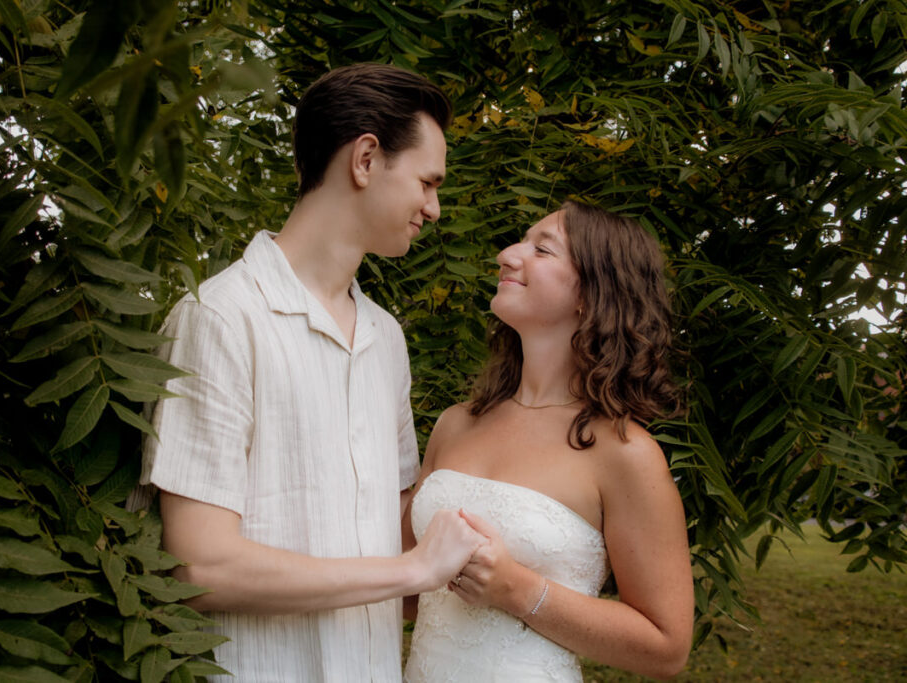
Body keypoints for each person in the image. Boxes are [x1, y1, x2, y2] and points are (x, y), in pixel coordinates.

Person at [132, 63, 484, 682]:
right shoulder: (220, 317)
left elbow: (397, 535)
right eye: (428, 183)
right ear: (366, 159)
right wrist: (414, 570)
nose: (434, 209)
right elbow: (198, 567)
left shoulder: (387, 338)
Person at [403, 201, 694, 681]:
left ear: (592, 293)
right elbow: (405, 592)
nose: (507, 255)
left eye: (542, 249)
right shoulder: (456, 423)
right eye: (521, 241)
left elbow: (666, 647)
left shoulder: (625, 453)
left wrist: (516, 589)